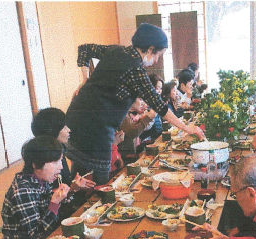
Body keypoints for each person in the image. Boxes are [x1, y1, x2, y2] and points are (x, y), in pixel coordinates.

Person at [66, 23, 204, 185]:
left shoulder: (117, 51)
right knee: (99, 181)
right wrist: (188, 128)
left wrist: (85, 79)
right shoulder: (135, 70)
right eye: (158, 54)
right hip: (97, 129)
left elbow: (84, 50)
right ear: (150, 49)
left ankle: (79, 201)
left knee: (79, 174)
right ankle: (93, 205)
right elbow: (161, 107)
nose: (157, 59)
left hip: (76, 118)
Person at [1, 136, 71, 239]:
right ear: (36, 165)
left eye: (61, 161)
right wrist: (54, 203)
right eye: (56, 162)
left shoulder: (39, 179)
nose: (61, 167)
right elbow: (36, 237)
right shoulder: (23, 191)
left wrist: (72, 190)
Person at [140, 73, 164, 142]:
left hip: (158, 138)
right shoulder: (145, 106)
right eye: (157, 88)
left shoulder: (156, 103)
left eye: (161, 88)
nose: (159, 91)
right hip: (148, 142)